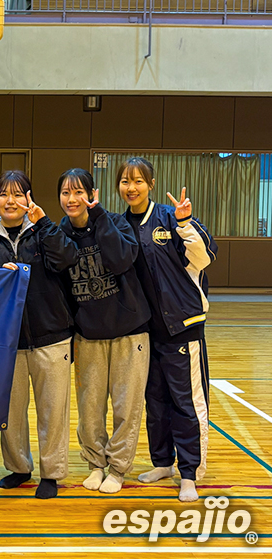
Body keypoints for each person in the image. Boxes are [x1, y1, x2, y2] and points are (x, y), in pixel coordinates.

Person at [116, 157, 217, 503]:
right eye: (125, 181)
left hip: (182, 328)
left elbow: (204, 258)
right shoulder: (119, 225)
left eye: (138, 181)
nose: (132, 187)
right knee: (155, 402)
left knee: (186, 403)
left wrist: (185, 223)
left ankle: (189, 472)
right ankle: (162, 463)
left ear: (151, 184)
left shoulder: (170, 218)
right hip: (146, 332)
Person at [0, 170, 78, 500]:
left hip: (52, 334)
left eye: (18, 194)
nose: (10, 201)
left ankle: (52, 473)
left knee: (53, 410)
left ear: (28, 198)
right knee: (10, 411)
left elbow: (67, 258)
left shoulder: (43, 230)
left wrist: (43, 223)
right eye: (3, 194)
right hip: (7, 342)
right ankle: (19, 467)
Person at [58, 168, 151, 494]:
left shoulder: (115, 222)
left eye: (78, 192)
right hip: (89, 335)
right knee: (90, 409)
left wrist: (98, 218)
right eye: (66, 193)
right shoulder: (61, 232)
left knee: (127, 407)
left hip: (130, 331)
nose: (72, 199)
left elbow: (121, 260)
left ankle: (118, 468)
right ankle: (96, 464)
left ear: (91, 194)